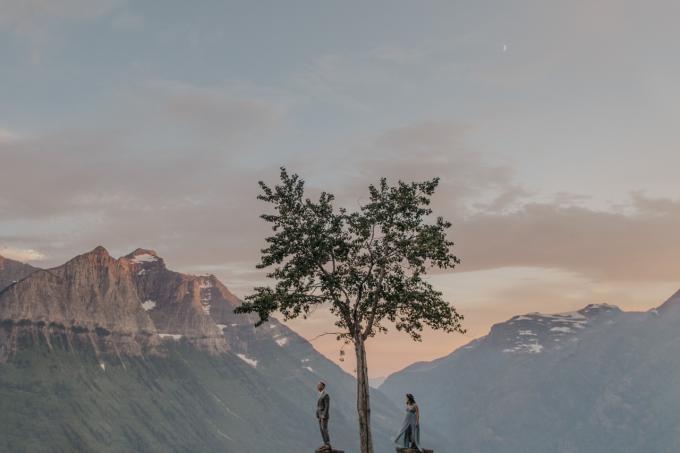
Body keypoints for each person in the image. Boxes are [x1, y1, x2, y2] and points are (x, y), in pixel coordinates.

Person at [316, 381, 332, 451]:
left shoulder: (326, 395)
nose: (317, 386)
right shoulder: (319, 394)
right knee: (321, 430)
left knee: (324, 429)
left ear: (323, 386)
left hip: (323, 416)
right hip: (319, 416)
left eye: (319, 385)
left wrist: (324, 415)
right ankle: (325, 444)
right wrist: (317, 414)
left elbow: (327, 406)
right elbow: (319, 406)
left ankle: (328, 444)